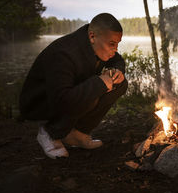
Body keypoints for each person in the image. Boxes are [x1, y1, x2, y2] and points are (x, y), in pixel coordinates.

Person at [19, 13, 128, 159]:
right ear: (92, 36)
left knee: (119, 83)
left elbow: (117, 60)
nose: (115, 49)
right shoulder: (64, 54)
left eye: (117, 44)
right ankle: (50, 132)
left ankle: (78, 134)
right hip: (41, 103)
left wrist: (118, 71)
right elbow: (61, 100)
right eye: (112, 44)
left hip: (67, 94)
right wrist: (99, 83)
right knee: (93, 91)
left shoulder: (98, 45)